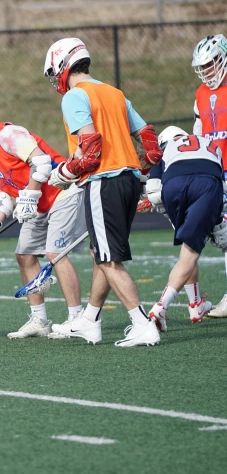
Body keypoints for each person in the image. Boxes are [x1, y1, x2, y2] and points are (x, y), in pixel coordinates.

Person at [42, 37, 163, 347]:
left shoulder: (75, 96)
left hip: (103, 182)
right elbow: (151, 146)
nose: (56, 79)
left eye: (55, 72)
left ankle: (142, 324)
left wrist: (63, 174)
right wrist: (136, 173)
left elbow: (90, 151)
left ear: (63, 64)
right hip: (128, 180)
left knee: (109, 261)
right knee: (101, 254)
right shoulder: (115, 93)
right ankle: (90, 320)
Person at [0, 101, 86, 338]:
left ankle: (77, 318)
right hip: (36, 204)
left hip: (61, 192)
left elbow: (42, 163)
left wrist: (29, 196)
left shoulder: (7, 135)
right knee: (24, 255)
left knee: (55, 252)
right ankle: (39, 320)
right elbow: (3, 198)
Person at [145, 126, 223, 331]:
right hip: (207, 183)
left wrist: (159, 204)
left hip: (174, 185)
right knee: (189, 252)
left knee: (187, 251)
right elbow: (220, 183)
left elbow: (153, 192)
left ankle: (195, 304)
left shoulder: (166, 150)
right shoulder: (210, 143)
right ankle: (160, 308)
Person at [191, 34, 227, 318]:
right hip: (217, 171)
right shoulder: (200, 93)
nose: (207, 71)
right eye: (203, 66)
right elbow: (199, 133)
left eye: (211, 64)